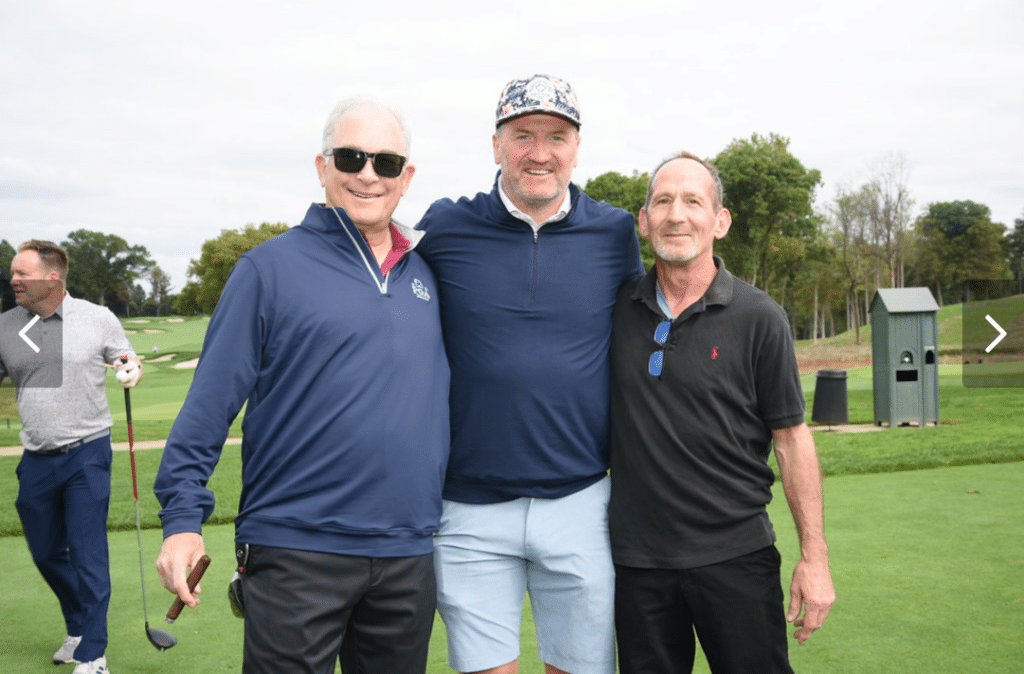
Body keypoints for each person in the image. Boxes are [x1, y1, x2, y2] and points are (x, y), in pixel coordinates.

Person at [153, 98, 450, 674]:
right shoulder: (267, 269)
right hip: (296, 550)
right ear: (322, 167)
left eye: (386, 163)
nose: (368, 174)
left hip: (407, 551)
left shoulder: (429, 272)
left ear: (406, 178)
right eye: (351, 156)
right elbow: (207, 410)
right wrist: (182, 521)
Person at [416, 74, 644, 674]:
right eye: (523, 135)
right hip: (467, 509)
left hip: (581, 499)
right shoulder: (443, 228)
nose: (539, 152)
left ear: (575, 147)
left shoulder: (615, 232)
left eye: (556, 136)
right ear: (497, 146)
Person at [607, 152, 836, 674]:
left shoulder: (760, 317)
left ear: (720, 221)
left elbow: (792, 439)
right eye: (662, 201)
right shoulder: (616, 308)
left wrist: (815, 559)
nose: (676, 214)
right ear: (643, 221)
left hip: (737, 559)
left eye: (693, 201)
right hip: (638, 567)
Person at [0, 240, 143, 674]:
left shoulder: (96, 318)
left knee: (87, 553)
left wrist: (130, 366)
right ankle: (79, 624)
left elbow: (123, 355)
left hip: (88, 454)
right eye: (14, 273)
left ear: (53, 277)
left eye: (22, 274)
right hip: (37, 457)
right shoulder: (7, 325)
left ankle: (92, 654)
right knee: (46, 552)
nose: (14, 280)